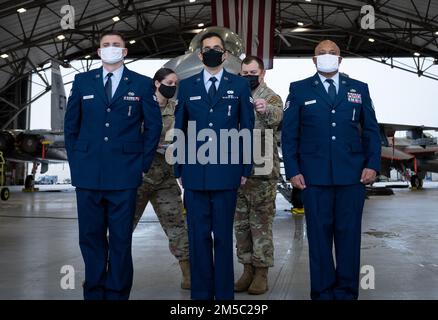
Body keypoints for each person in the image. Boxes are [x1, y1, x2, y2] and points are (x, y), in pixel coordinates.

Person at [64, 30, 162, 300]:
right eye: (105, 45)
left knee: (120, 239)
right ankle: (94, 293)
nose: (111, 48)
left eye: (116, 45)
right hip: (87, 174)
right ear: (98, 52)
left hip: (125, 174)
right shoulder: (83, 81)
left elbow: (153, 128)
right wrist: (76, 163)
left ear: (125, 51)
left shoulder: (141, 84)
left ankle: (118, 293)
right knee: (90, 238)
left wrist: (141, 164)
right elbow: (71, 126)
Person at [281, 40, 381, 300]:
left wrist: (372, 164)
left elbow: (371, 130)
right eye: (322, 54)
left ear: (341, 59)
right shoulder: (300, 89)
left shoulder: (358, 89)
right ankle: (323, 293)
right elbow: (290, 134)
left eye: (333, 53)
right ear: (314, 61)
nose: (328, 57)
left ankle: (347, 293)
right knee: (318, 239)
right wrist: (292, 169)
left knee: (349, 238)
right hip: (313, 178)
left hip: (351, 176)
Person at [173, 32, 255, 300]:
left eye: (216, 48)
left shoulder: (239, 86)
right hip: (195, 174)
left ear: (225, 54)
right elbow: (180, 129)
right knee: (198, 238)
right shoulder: (186, 86)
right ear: (200, 54)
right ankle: (201, 296)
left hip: (227, 172)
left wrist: (244, 168)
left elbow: (247, 128)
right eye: (206, 48)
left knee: (222, 237)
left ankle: (223, 297)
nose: (211, 52)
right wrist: (179, 169)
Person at [132, 68, 190, 290]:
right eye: (169, 82)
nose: (173, 86)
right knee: (122, 226)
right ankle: (105, 270)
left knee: (176, 224)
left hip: (165, 176)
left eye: (175, 83)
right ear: (157, 83)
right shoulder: (141, 107)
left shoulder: (177, 110)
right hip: (140, 176)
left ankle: (188, 273)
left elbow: (182, 138)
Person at [234, 56, 283, 295]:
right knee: (241, 225)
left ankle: (262, 271)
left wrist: (265, 109)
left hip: (262, 172)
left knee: (261, 224)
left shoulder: (270, 96)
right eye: (244, 73)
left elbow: (277, 117)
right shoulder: (235, 95)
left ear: (262, 74)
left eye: (253, 72)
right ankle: (247, 269)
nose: (249, 76)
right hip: (238, 171)